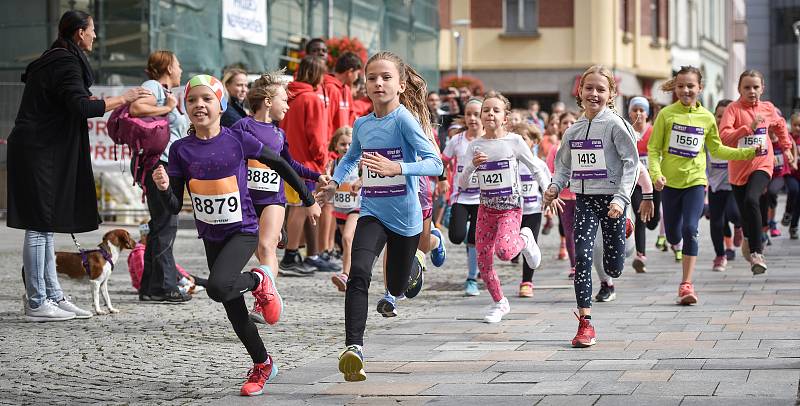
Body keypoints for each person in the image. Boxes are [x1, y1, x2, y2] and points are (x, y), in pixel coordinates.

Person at [152, 74, 321, 396]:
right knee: (232, 306)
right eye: (192, 100)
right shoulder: (180, 150)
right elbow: (174, 206)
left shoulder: (237, 139)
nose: (199, 105)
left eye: (207, 99)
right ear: (185, 107)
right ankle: (263, 363)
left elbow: (282, 165)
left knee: (217, 287)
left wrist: (308, 198)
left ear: (221, 105)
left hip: (243, 230)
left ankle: (259, 280)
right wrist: (162, 189)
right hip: (212, 236)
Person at [8, 10, 150, 321]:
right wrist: (124, 98)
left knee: (44, 226)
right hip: (38, 149)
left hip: (41, 147)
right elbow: (82, 106)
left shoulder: (56, 58)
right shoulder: (64, 61)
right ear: (78, 33)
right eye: (92, 30)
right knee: (38, 226)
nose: (95, 36)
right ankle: (37, 301)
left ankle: (53, 295)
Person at [315, 51, 443, 382]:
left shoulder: (404, 120)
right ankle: (353, 349)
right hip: (371, 212)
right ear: (364, 84)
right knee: (358, 273)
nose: (378, 83)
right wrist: (335, 182)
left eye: (386, 77)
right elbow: (351, 157)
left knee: (397, 286)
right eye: (372, 77)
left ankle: (414, 262)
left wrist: (397, 167)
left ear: (401, 85)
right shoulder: (361, 124)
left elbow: (435, 163)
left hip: (406, 219)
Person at [544, 65, 639, 348]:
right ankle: (585, 323)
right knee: (582, 258)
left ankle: (624, 227)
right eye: (589, 88)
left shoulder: (614, 125)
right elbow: (563, 167)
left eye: (601, 89)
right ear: (580, 92)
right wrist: (554, 186)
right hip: (585, 200)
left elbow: (631, 164)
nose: (594, 93)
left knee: (614, 266)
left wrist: (621, 200)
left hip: (612, 202)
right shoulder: (572, 130)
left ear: (611, 94)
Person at [649, 66, 758, 306]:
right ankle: (674, 242)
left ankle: (686, 284)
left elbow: (717, 149)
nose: (685, 90)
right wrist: (656, 174)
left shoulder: (707, 117)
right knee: (675, 234)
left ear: (700, 88)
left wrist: (747, 152)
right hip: (669, 184)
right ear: (675, 88)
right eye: (680, 86)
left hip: (696, 182)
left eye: (690, 86)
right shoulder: (666, 115)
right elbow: (654, 150)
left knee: (691, 229)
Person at [231, 70, 328, 322]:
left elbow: (289, 166)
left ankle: (262, 303)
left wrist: (315, 176)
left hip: (273, 199)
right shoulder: (242, 126)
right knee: (263, 253)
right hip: (248, 203)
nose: (287, 105)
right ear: (267, 102)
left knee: (266, 247)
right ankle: (269, 291)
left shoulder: (279, 134)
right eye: (284, 100)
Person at [459, 91, 547, 324]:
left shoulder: (514, 142)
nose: (489, 114)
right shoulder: (475, 145)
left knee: (505, 252)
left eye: (495, 110)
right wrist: (472, 167)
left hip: (510, 208)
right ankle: (499, 302)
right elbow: (463, 183)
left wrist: (548, 190)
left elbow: (536, 167)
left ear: (505, 117)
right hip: (485, 209)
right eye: (486, 110)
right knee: (483, 260)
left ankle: (526, 239)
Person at [129, 50, 191, 303]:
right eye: (177, 64)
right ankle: (164, 286)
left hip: (163, 165)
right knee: (166, 226)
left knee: (159, 227)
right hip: (160, 166)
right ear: (167, 67)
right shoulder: (153, 86)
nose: (181, 69)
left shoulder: (163, 90)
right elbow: (135, 107)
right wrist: (168, 107)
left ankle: (151, 287)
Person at [719, 69, 793, 274]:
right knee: (745, 213)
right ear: (739, 89)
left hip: (762, 164)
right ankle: (749, 238)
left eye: (755, 87)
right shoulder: (733, 110)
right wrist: (747, 128)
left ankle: (757, 253)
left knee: (752, 200)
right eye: (747, 87)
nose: (752, 91)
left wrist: (786, 149)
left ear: (763, 88)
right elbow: (724, 137)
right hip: (738, 167)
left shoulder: (768, 108)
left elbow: (780, 126)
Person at [279, 56, 338, 274]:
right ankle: (290, 256)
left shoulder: (289, 96)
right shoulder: (311, 98)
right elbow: (317, 136)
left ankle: (295, 254)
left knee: (297, 208)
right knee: (300, 209)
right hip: (306, 163)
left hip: (288, 159)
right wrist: (323, 160)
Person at [319, 52, 363, 264]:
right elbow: (327, 122)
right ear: (351, 71)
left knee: (340, 205)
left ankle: (334, 248)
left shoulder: (345, 89)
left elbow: (349, 118)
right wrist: (330, 150)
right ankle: (325, 248)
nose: (358, 79)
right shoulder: (330, 87)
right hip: (334, 151)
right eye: (358, 74)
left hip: (348, 151)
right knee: (328, 202)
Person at [441, 98, 484, 296]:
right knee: (457, 236)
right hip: (460, 196)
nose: (473, 118)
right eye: (469, 114)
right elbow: (443, 161)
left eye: (477, 114)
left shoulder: (489, 140)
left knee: (474, 239)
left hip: (483, 198)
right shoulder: (457, 141)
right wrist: (442, 180)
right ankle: (473, 237)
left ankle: (472, 278)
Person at [511, 122, 550, 298]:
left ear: (533, 142)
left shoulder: (538, 164)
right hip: (512, 211)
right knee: (512, 245)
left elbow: (547, 186)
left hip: (533, 211)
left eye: (524, 139)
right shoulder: (509, 162)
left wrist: (549, 204)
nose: (519, 143)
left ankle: (527, 282)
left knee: (530, 244)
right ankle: (514, 252)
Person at [707, 100, 744, 272]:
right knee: (716, 223)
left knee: (733, 213)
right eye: (719, 116)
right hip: (715, 186)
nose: (722, 120)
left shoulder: (739, 137)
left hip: (734, 184)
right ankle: (720, 256)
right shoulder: (708, 136)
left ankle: (739, 225)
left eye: (726, 116)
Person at [627, 96, 661, 273]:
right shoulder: (627, 132)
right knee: (640, 214)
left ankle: (657, 220)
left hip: (655, 182)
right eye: (635, 110)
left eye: (642, 110)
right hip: (636, 182)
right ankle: (640, 255)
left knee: (653, 222)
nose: (638, 113)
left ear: (648, 113)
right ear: (629, 112)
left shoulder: (654, 131)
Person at [546, 111, 578, 278]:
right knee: (568, 232)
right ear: (560, 127)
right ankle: (574, 266)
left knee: (583, 232)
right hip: (564, 199)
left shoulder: (584, 145)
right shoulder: (555, 148)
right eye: (565, 123)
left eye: (572, 122)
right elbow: (549, 172)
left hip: (582, 196)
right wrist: (553, 193)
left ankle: (584, 261)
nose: (569, 126)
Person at [328, 127, 360, 291]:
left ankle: (345, 274)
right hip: (339, 208)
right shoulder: (333, 164)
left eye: (349, 144)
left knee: (347, 238)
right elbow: (326, 183)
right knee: (347, 242)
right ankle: (355, 273)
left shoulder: (358, 162)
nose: (346, 148)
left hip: (356, 208)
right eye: (342, 144)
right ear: (335, 145)